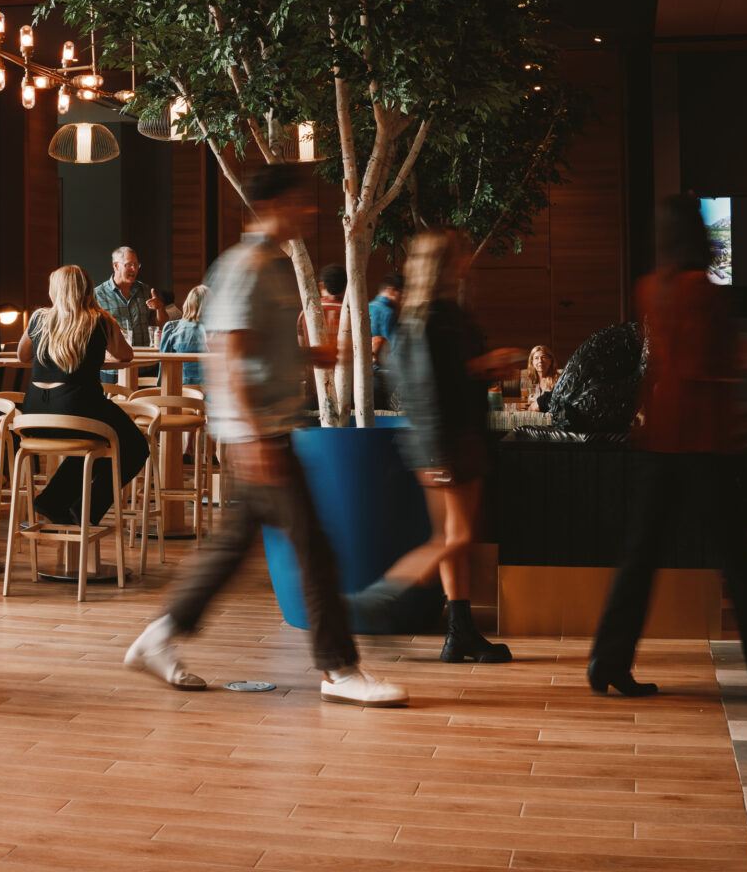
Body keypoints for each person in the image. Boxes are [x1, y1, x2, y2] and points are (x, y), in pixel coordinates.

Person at [124, 165, 407, 707]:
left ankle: (157, 638)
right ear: (273, 205)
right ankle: (339, 668)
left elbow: (262, 350)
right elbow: (228, 357)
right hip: (259, 435)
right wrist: (251, 440)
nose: (309, 211)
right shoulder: (245, 267)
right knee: (315, 548)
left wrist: (316, 355)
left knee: (232, 548)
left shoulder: (276, 265)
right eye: (301, 202)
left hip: (271, 430)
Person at [588, 197, 747, 698]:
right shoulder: (704, 291)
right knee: (737, 562)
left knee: (639, 558)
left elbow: (671, 362)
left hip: (659, 437)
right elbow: (705, 365)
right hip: (703, 443)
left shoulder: (650, 288)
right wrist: (745, 355)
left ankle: (608, 660)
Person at [391, 229, 525, 663]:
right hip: (448, 441)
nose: (470, 260)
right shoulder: (433, 315)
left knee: (454, 537)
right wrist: (487, 363)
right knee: (458, 538)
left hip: (450, 438)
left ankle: (459, 633)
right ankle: (381, 597)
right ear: (448, 264)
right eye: (463, 255)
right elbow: (428, 388)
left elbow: (447, 375)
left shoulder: (435, 312)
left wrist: (483, 366)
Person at [17, 265, 151, 529]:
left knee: (92, 444)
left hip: (33, 414)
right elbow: (126, 355)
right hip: (77, 406)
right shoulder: (99, 320)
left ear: (55, 290)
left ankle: (53, 501)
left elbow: (23, 356)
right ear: (88, 289)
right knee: (135, 449)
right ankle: (85, 509)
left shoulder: (39, 318)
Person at [94, 245, 173, 345]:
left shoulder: (145, 290)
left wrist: (160, 308)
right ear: (116, 266)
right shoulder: (98, 295)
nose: (134, 269)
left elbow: (161, 325)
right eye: (129, 265)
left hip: (145, 356)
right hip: (115, 358)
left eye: (136, 265)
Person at [157, 284, 208, 387]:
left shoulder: (172, 328)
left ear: (187, 304)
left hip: (181, 392)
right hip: (211, 393)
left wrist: (160, 390)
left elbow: (164, 366)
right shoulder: (219, 332)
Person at [367, 272, 404, 410]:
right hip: (382, 376)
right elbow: (395, 350)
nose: (402, 300)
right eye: (401, 294)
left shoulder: (368, 307)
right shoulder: (388, 313)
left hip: (364, 374)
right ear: (391, 290)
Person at [521, 344, 558, 410]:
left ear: (550, 360)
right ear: (532, 362)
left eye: (543, 357)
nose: (540, 361)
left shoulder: (557, 379)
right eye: (536, 358)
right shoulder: (530, 379)